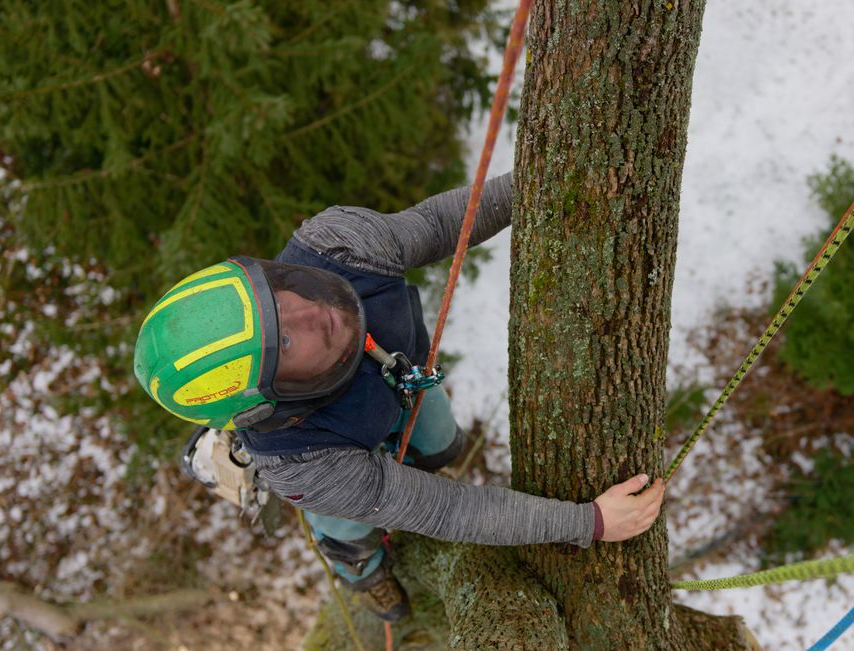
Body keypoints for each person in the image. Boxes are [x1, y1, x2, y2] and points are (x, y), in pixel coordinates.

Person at [133, 172, 666, 621]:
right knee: (352, 527)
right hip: (329, 448)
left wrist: (537, 182)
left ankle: (387, 464)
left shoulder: (335, 246)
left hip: (396, 386)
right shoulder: (306, 465)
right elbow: (449, 511)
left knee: (442, 449)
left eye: (277, 294)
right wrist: (588, 522)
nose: (309, 310)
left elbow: (438, 225)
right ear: (268, 402)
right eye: (287, 341)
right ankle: (360, 572)